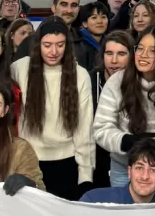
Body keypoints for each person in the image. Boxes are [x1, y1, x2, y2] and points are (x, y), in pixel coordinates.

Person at [93, 25, 155, 187]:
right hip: (125, 167)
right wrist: (127, 142)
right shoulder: (117, 81)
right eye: (140, 48)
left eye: (152, 51)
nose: (143, 55)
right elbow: (101, 128)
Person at [11, 16, 95, 201]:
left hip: (66, 163)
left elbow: (84, 129)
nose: (54, 51)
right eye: (47, 45)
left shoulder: (80, 75)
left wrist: (85, 175)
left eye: (60, 44)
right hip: (28, 161)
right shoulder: (18, 69)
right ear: (37, 43)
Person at [89, 30, 133, 188]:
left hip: (127, 155)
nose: (114, 60)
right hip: (95, 155)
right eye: (109, 53)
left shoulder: (137, 80)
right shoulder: (91, 79)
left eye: (121, 54)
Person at [80, 138, 155, 204]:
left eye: (153, 170)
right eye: (139, 168)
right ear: (129, 172)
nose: (144, 176)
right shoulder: (94, 200)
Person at [79, 1, 109, 71]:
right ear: (85, 23)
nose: (100, 21)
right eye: (94, 17)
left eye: (103, 17)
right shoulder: (78, 44)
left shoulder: (110, 42)